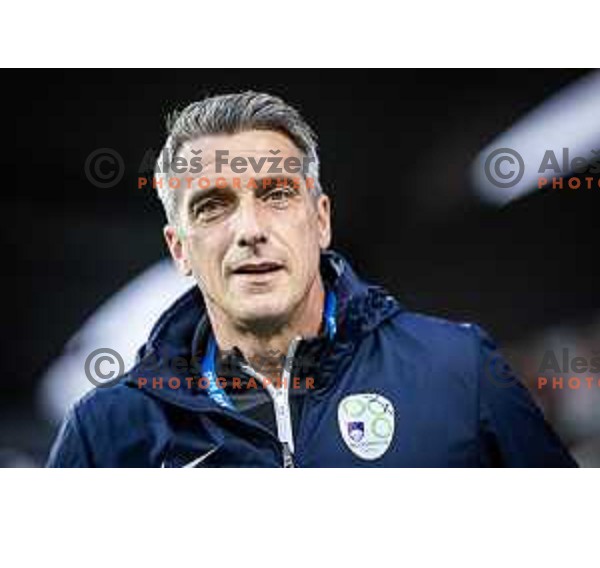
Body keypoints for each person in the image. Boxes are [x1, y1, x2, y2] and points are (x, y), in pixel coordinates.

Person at [46, 91, 577, 467]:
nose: (250, 230)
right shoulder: (108, 431)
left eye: (276, 195)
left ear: (320, 220)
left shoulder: (460, 371)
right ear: (179, 249)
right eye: (213, 206)